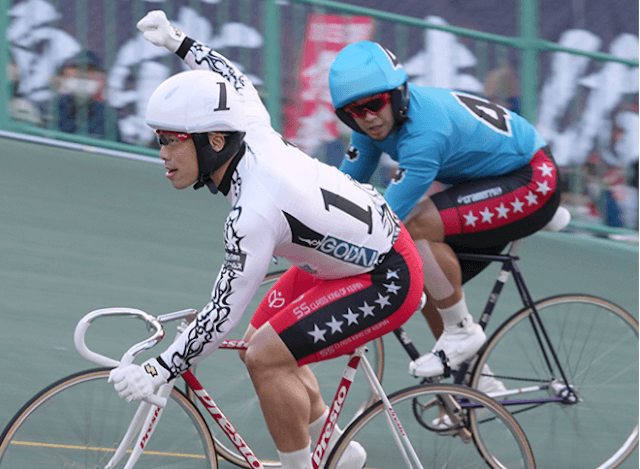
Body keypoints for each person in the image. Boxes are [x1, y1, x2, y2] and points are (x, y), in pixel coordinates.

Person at [107, 12, 423, 469]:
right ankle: (338, 451)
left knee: (264, 355)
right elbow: (229, 77)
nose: (162, 154)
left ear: (214, 140)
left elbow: (220, 317)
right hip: (342, 261)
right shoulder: (247, 125)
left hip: (388, 277)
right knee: (267, 337)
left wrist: (158, 369)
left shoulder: (254, 210)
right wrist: (178, 42)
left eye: (171, 141)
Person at [328, 41, 560, 387]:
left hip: (531, 180)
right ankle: (477, 386)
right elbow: (341, 189)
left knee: (417, 227)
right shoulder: (372, 125)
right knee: (421, 281)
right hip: (488, 178)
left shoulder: (424, 133)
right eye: (353, 112)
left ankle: (462, 332)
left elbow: (386, 220)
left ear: (399, 93)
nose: (368, 118)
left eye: (375, 104)